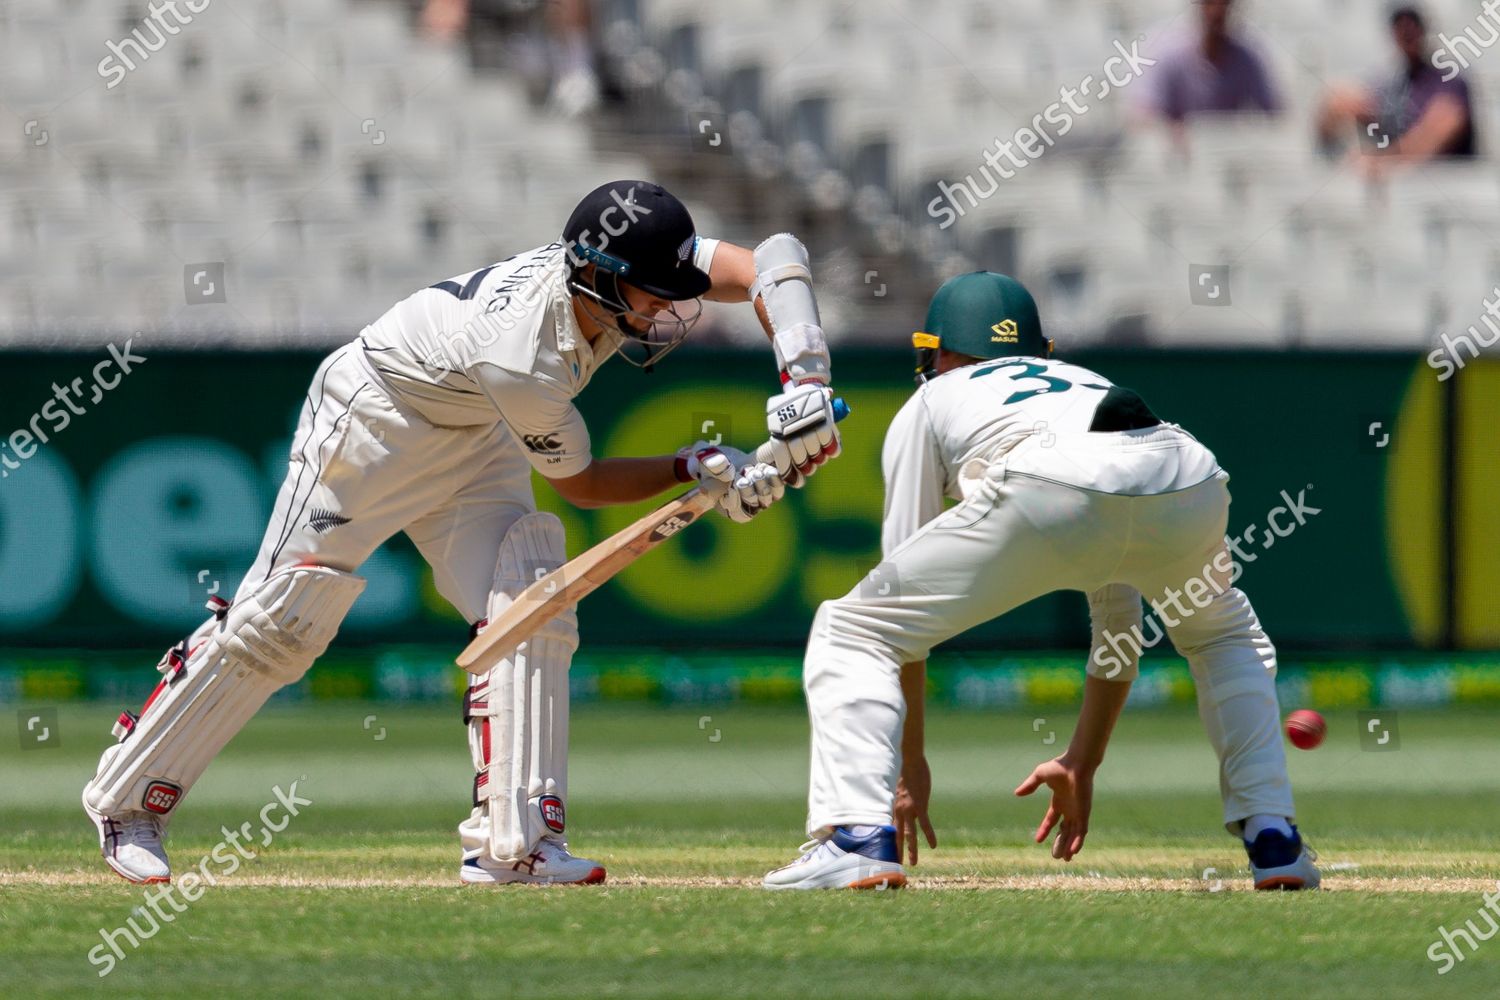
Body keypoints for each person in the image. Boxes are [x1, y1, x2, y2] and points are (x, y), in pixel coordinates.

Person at [84, 180, 843, 887]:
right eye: (657, 295)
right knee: (283, 617)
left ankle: (514, 847)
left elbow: (773, 259)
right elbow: (581, 484)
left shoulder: (616, 267)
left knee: (531, 604)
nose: (676, 310)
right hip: (374, 422)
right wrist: (691, 467)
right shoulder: (524, 356)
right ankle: (126, 803)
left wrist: (804, 378)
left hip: (474, 431)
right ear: (601, 279)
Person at [763, 271, 1319, 892]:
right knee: (1222, 637)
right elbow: (1119, 622)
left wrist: (905, 766)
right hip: (1185, 473)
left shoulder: (929, 399)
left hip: (1048, 480)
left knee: (853, 627)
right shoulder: (1086, 383)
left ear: (936, 353)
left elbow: (898, 617)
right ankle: (1274, 838)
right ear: (1040, 351)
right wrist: (1085, 759)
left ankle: (856, 838)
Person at [1317, 6, 1475, 170]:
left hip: (1450, 177)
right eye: (1401, 29)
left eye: (1411, 28)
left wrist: (1383, 160)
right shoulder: (1395, 82)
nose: (1407, 34)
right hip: (1408, 178)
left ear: (1423, 31)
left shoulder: (1449, 79)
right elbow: (1353, 103)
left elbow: (1439, 130)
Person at [1135, 0, 1282, 125]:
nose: (1217, 12)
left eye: (1224, 4)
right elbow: (1142, 114)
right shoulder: (1170, 56)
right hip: (1178, 154)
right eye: (1210, 3)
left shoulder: (1248, 58)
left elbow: (1274, 113)